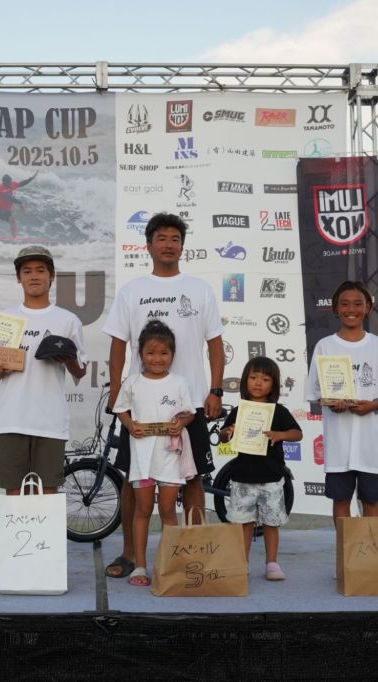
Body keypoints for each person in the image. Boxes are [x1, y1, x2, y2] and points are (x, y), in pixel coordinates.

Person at [101, 212, 224, 579]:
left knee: (194, 478)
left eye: (175, 239)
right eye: (162, 238)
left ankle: (192, 555)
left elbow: (215, 345)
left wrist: (215, 389)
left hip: (190, 403)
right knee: (133, 478)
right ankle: (129, 555)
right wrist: (117, 390)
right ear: (149, 245)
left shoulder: (200, 289)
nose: (169, 244)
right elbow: (118, 345)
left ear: (182, 246)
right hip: (141, 404)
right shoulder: (132, 291)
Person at [0, 245, 87, 495]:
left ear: (52, 276)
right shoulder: (4, 319)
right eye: (27, 271)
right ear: (18, 277)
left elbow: (80, 370)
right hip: (10, 420)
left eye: (40, 270)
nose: (34, 276)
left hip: (50, 422)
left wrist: (68, 360)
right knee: (14, 496)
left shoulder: (68, 320)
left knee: (47, 497)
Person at [305, 280, 378, 519]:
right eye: (345, 304)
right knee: (341, 501)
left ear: (368, 307)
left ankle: (371, 544)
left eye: (358, 304)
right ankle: (344, 545)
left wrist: (374, 404)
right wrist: (332, 403)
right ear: (335, 308)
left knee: (370, 500)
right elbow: (316, 391)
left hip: (370, 444)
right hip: (338, 443)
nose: (351, 309)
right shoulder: (325, 346)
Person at [112, 321, 196, 586]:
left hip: (170, 457)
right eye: (150, 353)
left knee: (168, 510)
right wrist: (130, 426)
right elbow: (121, 409)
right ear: (140, 354)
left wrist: (181, 422)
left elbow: (189, 413)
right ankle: (140, 566)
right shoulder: (133, 382)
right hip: (142, 459)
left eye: (164, 353)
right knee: (143, 509)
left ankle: (170, 566)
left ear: (172, 354)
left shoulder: (179, 382)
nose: (157, 359)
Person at [219, 356, 302, 581]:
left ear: (273, 385)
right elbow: (223, 437)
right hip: (242, 477)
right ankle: (242, 563)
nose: (258, 383)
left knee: (271, 523)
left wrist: (280, 435)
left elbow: (297, 433)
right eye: (253, 377)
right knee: (243, 523)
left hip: (271, 478)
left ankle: (272, 563)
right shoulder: (239, 411)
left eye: (265, 379)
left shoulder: (279, 411)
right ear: (245, 381)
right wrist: (227, 433)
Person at [0, 171, 39, 239]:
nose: (10, 184)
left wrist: (31, 178)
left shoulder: (12, 184)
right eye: (8, 183)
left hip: (6, 211)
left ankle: (14, 238)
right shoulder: (2, 188)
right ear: (4, 183)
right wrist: (20, 203)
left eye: (10, 182)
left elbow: (21, 183)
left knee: (12, 221)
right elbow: (9, 197)